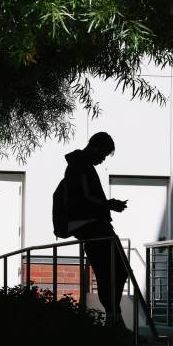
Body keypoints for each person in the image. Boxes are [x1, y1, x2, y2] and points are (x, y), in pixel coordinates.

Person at [61, 132, 129, 326]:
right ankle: (114, 320)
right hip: (93, 228)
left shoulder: (81, 165)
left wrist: (108, 205)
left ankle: (114, 318)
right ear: (95, 148)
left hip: (94, 227)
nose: (103, 159)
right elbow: (86, 197)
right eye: (104, 154)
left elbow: (86, 196)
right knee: (111, 272)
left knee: (114, 271)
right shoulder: (80, 165)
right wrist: (109, 204)